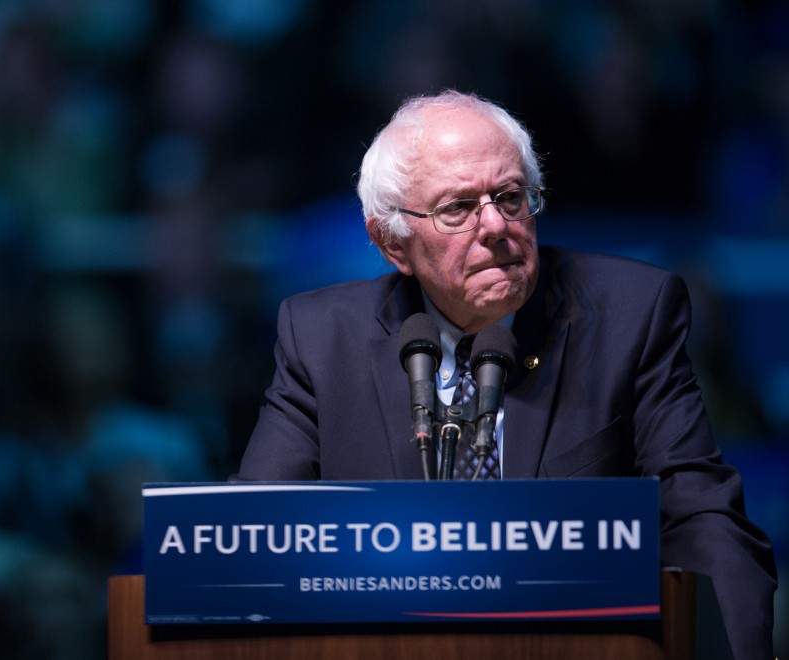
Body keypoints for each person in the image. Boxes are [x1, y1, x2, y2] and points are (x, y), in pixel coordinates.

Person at [233, 89, 777, 658]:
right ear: (391, 241)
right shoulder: (322, 339)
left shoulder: (630, 314)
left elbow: (704, 522)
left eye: (510, 197)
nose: (494, 225)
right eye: (458, 208)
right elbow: (254, 541)